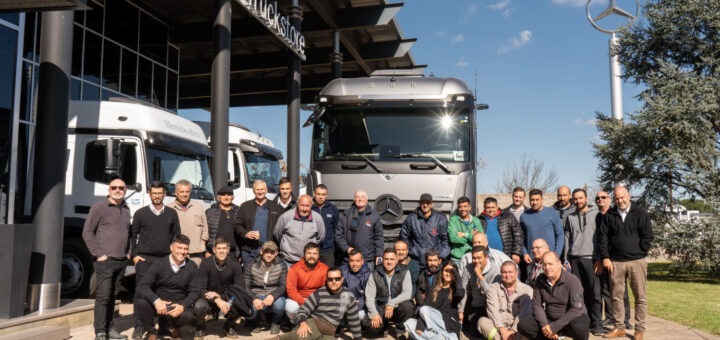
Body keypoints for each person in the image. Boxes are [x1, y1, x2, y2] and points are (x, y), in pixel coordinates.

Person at [599, 186, 654, 340]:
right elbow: (603, 238)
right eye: (616, 198)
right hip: (616, 262)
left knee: (640, 297)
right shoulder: (609, 215)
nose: (620, 200)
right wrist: (605, 257)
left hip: (637, 261)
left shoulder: (640, 213)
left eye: (622, 197)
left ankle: (640, 330)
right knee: (616, 297)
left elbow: (648, 235)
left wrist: (641, 251)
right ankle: (619, 327)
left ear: (628, 196)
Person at [130, 181, 181, 340]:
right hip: (145, 259)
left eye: (160, 193)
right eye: (154, 193)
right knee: (141, 294)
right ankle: (139, 327)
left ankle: (164, 326)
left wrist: (173, 257)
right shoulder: (140, 213)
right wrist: (135, 256)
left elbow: (176, 236)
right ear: (150, 194)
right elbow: (132, 236)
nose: (157, 196)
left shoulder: (172, 213)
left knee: (164, 292)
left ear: (164, 194)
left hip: (165, 260)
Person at [82, 178, 131, 340]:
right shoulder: (99, 207)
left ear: (125, 190)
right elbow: (87, 232)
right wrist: (98, 254)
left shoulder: (126, 208)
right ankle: (100, 332)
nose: (118, 190)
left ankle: (110, 329)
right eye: (114, 187)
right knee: (103, 296)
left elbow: (128, 233)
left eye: (121, 188)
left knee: (113, 296)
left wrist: (129, 252)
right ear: (109, 190)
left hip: (121, 260)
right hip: (105, 261)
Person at [135, 234, 201, 340]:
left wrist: (182, 306)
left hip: (179, 303)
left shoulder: (192, 266)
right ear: (171, 247)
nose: (182, 251)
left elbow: (195, 291)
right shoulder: (159, 264)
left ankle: (174, 327)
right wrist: (156, 301)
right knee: (143, 304)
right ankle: (151, 332)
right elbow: (142, 285)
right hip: (160, 303)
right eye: (179, 248)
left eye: (185, 249)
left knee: (188, 317)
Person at [518, 252, 589, 340]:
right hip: (550, 319)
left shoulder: (572, 280)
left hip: (571, 320)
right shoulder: (540, 280)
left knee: (580, 328)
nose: (547, 268)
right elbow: (537, 305)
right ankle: (551, 337)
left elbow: (576, 309)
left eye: (550, 264)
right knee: (523, 325)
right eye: (544, 264)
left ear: (559, 264)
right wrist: (545, 326)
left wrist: (554, 327)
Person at [277, 267, 362, 340]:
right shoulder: (319, 293)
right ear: (327, 280)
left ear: (342, 280)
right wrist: (303, 323)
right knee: (302, 337)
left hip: (329, 332)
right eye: (330, 279)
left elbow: (354, 320)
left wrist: (358, 338)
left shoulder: (349, 296)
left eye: (337, 279)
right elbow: (303, 310)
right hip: (313, 324)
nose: (334, 281)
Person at [564, 188, 605, 335]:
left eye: (580, 198)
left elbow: (602, 238)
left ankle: (597, 323)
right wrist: (566, 258)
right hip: (574, 259)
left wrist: (600, 258)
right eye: (575, 199)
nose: (578, 201)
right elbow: (567, 238)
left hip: (591, 258)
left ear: (586, 199)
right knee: (579, 294)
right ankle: (585, 322)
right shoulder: (570, 217)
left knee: (595, 293)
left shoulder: (596, 215)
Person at [194, 237, 245, 339]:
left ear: (228, 250)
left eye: (224, 248)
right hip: (208, 298)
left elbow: (240, 288)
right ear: (214, 250)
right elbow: (200, 289)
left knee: (242, 304)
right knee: (198, 306)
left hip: (227, 297)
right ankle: (200, 327)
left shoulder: (235, 264)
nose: (221, 251)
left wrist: (221, 297)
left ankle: (229, 326)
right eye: (219, 248)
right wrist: (217, 299)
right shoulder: (205, 263)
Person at [594, 190, 631, 330]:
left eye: (603, 197)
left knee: (621, 290)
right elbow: (599, 240)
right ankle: (610, 316)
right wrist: (601, 258)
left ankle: (625, 318)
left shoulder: (615, 213)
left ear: (610, 199)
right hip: (603, 258)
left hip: (616, 258)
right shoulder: (597, 216)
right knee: (606, 289)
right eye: (597, 198)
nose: (600, 200)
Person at [404, 262, 465, 340]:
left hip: (448, 324)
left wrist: (455, 273)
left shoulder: (455, 290)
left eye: (451, 272)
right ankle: (441, 337)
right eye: (446, 271)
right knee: (409, 323)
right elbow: (425, 307)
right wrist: (420, 326)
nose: (448, 273)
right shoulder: (434, 289)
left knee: (424, 310)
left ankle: (443, 336)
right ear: (442, 272)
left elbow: (460, 294)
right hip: (432, 324)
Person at [478, 261, 533, 340]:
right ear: (500, 273)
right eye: (504, 272)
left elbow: (524, 314)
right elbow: (493, 311)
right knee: (482, 322)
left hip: (518, 329)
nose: (507, 275)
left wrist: (513, 331)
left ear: (516, 273)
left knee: (528, 327)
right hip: (499, 328)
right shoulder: (493, 288)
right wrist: (502, 330)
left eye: (510, 272)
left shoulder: (527, 290)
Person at [365, 248, 415, 335]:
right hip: (381, 308)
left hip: (397, 308)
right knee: (372, 328)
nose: (389, 262)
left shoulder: (405, 272)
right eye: (386, 259)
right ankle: (384, 326)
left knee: (408, 306)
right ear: (383, 260)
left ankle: (400, 329)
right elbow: (369, 296)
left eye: (392, 259)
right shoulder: (375, 274)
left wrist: (392, 303)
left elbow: (407, 293)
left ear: (396, 261)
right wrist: (374, 314)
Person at [237, 179, 284, 270]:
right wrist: (246, 233)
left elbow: (281, 229)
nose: (260, 192)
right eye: (257, 189)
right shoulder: (245, 206)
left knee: (265, 278)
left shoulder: (276, 208)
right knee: (249, 278)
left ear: (266, 190)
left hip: (268, 250)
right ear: (253, 191)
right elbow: (237, 225)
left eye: (262, 189)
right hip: (249, 250)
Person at [459, 246, 502, 338]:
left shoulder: (495, 271)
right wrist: (461, 311)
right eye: (474, 258)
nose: (476, 261)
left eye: (479, 258)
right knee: (475, 330)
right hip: (476, 305)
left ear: (486, 257)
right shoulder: (468, 268)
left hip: (491, 306)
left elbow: (493, 295)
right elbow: (464, 291)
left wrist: (480, 277)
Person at [245, 241, 287, 335]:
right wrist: (254, 298)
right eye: (266, 252)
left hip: (273, 294)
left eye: (272, 252)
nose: (269, 255)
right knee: (249, 309)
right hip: (256, 294)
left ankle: (275, 322)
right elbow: (245, 286)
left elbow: (283, 285)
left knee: (280, 305)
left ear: (276, 253)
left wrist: (272, 296)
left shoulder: (281, 265)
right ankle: (255, 322)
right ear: (261, 252)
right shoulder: (251, 264)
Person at [336, 189, 383, 270]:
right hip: (348, 258)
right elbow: (338, 236)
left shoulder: (374, 216)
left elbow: (379, 237)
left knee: (368, 282)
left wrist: (379, 255)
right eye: (357, 197)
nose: (360, 199)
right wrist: (347, 248)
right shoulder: (345, 215)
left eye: (362, 197)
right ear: (354, 200)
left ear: (366, 200)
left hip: (367, 259)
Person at [273, 195, 326, 266]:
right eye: (302, 205)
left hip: (308, 261)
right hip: (288, 261)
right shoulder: (286, 216)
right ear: (297, 205)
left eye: (307, 206)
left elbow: (320, 238)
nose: (304, 209)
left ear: (311, 206)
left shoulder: (317, 218)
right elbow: (277, 235)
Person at [400, 193, 450, 268]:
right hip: (416, 260)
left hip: (434, 260)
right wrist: (412, 250)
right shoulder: (412, 218)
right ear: (420, 203)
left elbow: (446, 240)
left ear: (432, 204)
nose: (425, 205)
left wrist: (441, 256)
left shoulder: (440, 218)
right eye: (423, 202)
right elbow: (404, 237)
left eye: (428, 203)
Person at [285, 242, 329, 324]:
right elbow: (291, 290)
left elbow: (325, 289)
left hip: (316, 299)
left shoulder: (324, 268)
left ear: (319, 255)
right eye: (309, 253)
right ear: (304, 254)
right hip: (298, 298)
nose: (311, 256)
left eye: (315, 253)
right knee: (291, 308)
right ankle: (296, 323)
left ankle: (314, 323)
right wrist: (302, 301)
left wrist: (313, 301)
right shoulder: (295, 268)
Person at [169, 179, 209, 265]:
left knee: (196, 278)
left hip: (196, 254)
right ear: (176, 193)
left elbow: (205, 229)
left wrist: (201, 244)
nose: (184, 194)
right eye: (181, 192)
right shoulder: (170, 209)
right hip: (177, 254)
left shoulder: (198, 207)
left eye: (187, 191)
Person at [520, 189, 563, 267]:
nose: (535, 202)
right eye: (532, 200)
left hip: (549, 258)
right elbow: (521, 237)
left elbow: (560, 235)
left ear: (542, 199)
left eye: (537, 200)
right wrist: (525, 253)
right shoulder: (524, 216)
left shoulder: (553, 213)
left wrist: (557, 254)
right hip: (531, 258)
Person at [480, 197, 524, 264]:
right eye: (488, 207)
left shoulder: (508, 216)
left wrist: (516, 253)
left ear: (497, 207)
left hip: (506, 255)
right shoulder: (479, 220)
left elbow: (518, 235)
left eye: (493, 207)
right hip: (487, 257)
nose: (490, 210)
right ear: (484, 207)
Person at [205, 186, 240, 258]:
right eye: (223, 195)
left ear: (232, 197)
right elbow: (204, 232)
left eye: (229, 195)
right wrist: (205, 251)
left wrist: (240, 253)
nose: (226, 197)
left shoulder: (239, 212)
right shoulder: (210, 212)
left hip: (233, 253)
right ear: (218, 197)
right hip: (214, 252)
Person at [448, 196, 483, 264]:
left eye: (465, 206)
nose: (462, 209)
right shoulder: (453, 220)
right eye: (460, 206)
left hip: (472, 258)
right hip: (457, 259)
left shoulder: (476, 221)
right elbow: (453, 238)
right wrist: (471, 237)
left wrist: (465, 235)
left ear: (469, 207)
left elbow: (480, 239)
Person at [339, 249, 371, 322]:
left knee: (360, 315)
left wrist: (358, 304)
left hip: (360, 305)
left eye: (357, 261)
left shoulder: (368, 274)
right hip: (344, 303)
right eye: (352, 261)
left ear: (362, 261)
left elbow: (368, 295)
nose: (354, 264)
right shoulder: (342, 271)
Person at [312, 184, 340, 267]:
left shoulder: (333, 208)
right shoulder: (309, 208)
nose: (321, 197)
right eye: (318, 194)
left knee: (328, 275)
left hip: (328, 249)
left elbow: (336, 228)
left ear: (326, 195)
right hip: (312, 248)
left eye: (323, 194)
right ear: (314, 194)